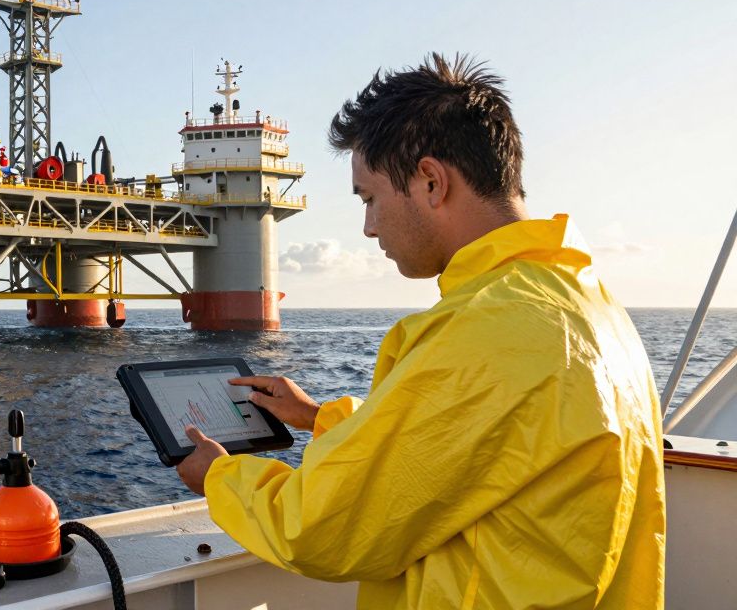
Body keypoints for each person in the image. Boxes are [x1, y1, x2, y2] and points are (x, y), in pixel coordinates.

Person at [176, 54, 665, 609]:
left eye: (370, 198)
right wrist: (321, 419)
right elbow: (484, 443)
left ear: (431, 181)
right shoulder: (589, 303)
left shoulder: (481, 332)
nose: (368, 226)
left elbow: (320, 530)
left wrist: (221, 477)